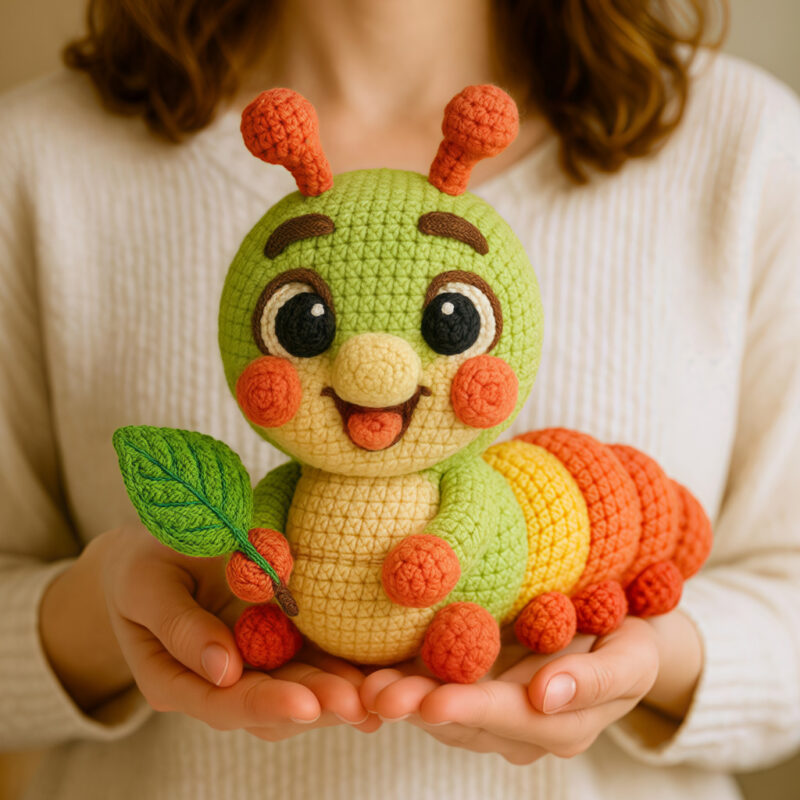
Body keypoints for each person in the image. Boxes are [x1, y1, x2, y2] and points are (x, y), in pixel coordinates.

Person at [1, 0, 799, 798]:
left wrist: (662, 659)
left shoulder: (744, 143)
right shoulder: (40, 155)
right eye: (306, 326)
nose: (370, 369)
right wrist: (96, 618)